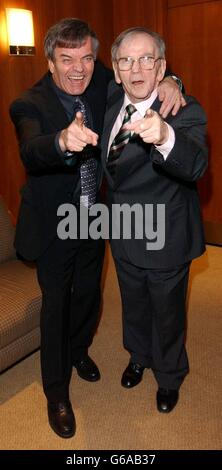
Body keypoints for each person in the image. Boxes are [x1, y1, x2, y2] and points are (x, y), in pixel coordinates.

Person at [9, 18, 185, 438]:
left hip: (94, 216)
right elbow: (32, 149)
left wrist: (173, 79)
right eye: (66, 59)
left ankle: (80, 351)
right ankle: (56, 392)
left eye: (86, 58)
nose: (78, 69)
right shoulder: (28, 103)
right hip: (54, 225)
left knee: (89, 293)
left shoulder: (100, 79)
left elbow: (138, 71)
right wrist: (60, 142)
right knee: (57, 304)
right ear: (50, 62)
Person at [101, 27, 208, 413]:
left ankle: (169, 375)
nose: (136, 68)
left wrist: (164, 135)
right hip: (123, 231)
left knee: (167, 313)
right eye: (126, 60)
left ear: (161, 66)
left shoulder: (183, 110)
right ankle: (139, 356)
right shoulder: (112, 99)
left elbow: (195, 163)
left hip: (166, 237)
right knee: (133, 304)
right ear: (115, 70)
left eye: (147, 59)